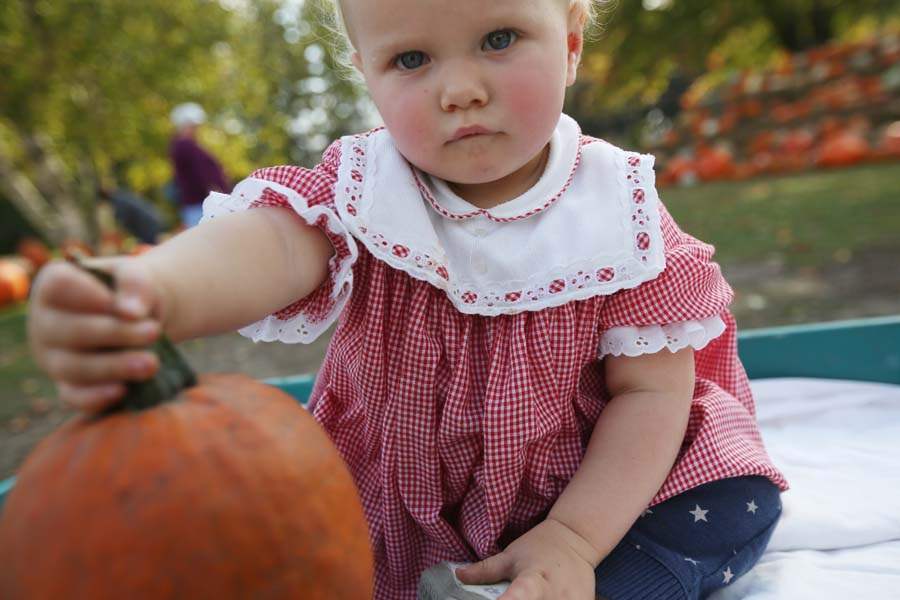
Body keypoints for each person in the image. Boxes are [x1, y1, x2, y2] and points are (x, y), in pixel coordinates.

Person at [27, 1, 788, 598]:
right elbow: (277, 244)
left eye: (499, 39)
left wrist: (576, 539)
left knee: (734, 505)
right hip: (409, 502)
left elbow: (652, 396)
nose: (459, 89)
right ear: (367, 73)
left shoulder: (618, 212)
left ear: (572, 39)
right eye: (412, 59)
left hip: (597, 491)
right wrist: (150, 290)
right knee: (280, 546)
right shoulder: (365, 193)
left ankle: (584, 583)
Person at [168, 102, 229, 228]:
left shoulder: (186, 145)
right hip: (200, 204)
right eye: (193, 126)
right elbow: (200, 173)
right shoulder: (185, 146)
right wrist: (214, 191)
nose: (196, 129)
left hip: (199, 204)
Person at [97, 185, 164, 244]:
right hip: (154, 217)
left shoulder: (118, 202)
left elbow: (121, 225)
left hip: (148, 226)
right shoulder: (121, 194)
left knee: (151, 250)